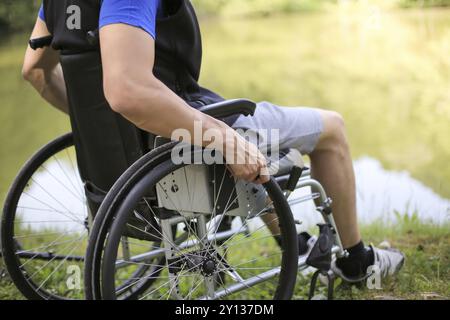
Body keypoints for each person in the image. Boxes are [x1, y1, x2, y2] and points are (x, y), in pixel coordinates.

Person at [22, 0, 404, 285]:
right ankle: (357, 263)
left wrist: (105, 126)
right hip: (182, 147)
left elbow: (35, 72)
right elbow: (127, 91)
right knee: (331, 129)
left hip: (129, 169)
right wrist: (222, 139)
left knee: (254, 137)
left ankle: (298, 245)